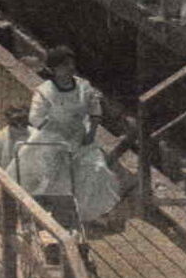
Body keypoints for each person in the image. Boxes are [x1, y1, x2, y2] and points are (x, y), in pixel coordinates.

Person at [10, 46, 121, 224]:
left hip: (79, 137)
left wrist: (91, 132)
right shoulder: (44, 90)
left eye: (71, 64)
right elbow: (35, 117)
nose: (70, 68)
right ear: (54, 69)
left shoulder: (83, 87)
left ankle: (85, 213)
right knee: (46, 172)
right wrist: (57, 129)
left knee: (96, 169)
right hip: (52, 138)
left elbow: (94, 110)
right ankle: (42, 212)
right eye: (64, 65)